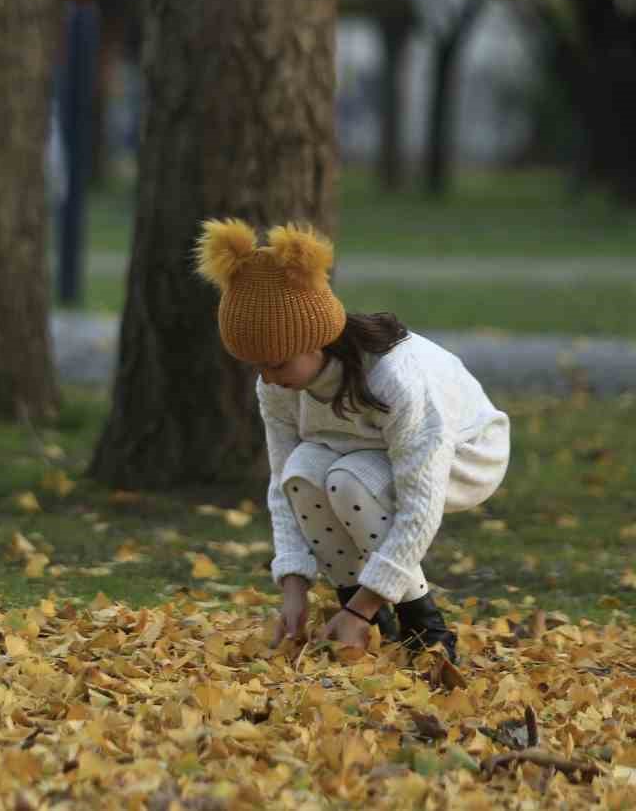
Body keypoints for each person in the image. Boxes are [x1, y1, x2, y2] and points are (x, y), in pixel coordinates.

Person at [194, 217, 509, 662]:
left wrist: (364, 605)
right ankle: (364, 626)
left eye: (277, 363)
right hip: (362, 454)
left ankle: (425, 629)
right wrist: (293, 587)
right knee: (304, 470)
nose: (267, 379)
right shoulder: (278, 385)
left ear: (314, 341)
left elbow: (421, 504)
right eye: (255, 366)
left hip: (465, 454)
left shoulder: (397, 379)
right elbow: (283, 484)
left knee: (347, 480)